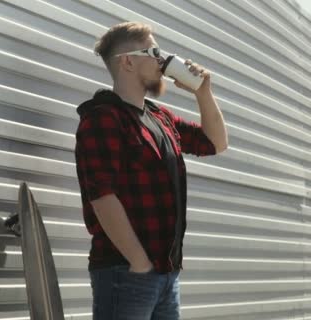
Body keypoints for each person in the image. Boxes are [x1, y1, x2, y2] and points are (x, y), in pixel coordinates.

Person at [74, 21, 228, 320]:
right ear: (128, 61)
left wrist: (203, 92)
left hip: (165, 275)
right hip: (126, 272)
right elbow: (102, 197)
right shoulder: (102, 118)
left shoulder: (160, 117)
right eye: (153, 51)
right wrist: (139, 262)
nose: (162, 59)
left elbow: (215, 143)